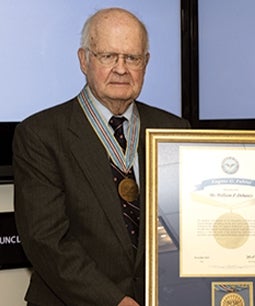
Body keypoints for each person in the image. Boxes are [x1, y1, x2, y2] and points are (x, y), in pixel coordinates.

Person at [13, 7, 190, 306]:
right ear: (84, 60)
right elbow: (47, 241)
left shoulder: (175, 130)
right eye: (108, 56)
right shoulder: (40, 135)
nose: (121, 68)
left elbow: (188, 226)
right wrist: (115, 301)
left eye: (132, 58)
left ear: (145, 63)